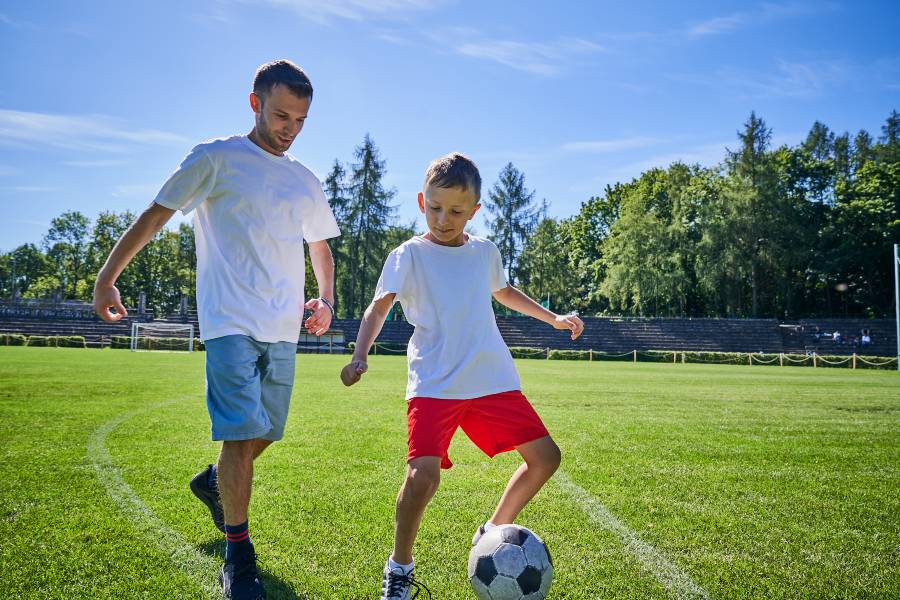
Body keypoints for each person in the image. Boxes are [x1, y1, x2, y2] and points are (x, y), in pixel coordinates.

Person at [92, 60, 339, 600]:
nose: (290, 127)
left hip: (283, 326)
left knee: (264, 433)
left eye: (300, 118)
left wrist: (325, 297)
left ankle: (213, 483)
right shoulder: (215, 158)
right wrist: (108, 277)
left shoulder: (304, 180)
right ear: (254, 103)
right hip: (229, 320)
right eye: (280, 114)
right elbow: (155, 216)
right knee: (237, 430)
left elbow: (319, 243)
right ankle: (238, 551)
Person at [340, 153, 584, 599]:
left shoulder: (484, 252)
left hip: (491, 379)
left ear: (474, 209)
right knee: (422, 479)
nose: (443, 218)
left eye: (455, 210)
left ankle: (492, 529)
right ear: (421, 201)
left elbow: (504, 292)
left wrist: (552, 319)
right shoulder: (408, 255)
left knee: (546, 458)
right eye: (435, 207)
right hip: (433, 384)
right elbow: (379, 307)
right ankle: (399, 569)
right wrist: (360, 356)